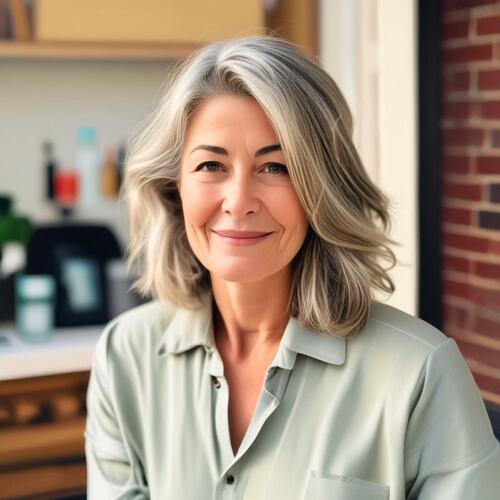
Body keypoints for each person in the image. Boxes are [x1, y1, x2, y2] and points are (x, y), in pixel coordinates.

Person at [84, 35, 500, 499]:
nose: (239, 202)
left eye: (276, 167)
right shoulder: (125, 357)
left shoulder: (421, 372)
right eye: (210, 165)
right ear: (173, 187)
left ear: (322, 190)